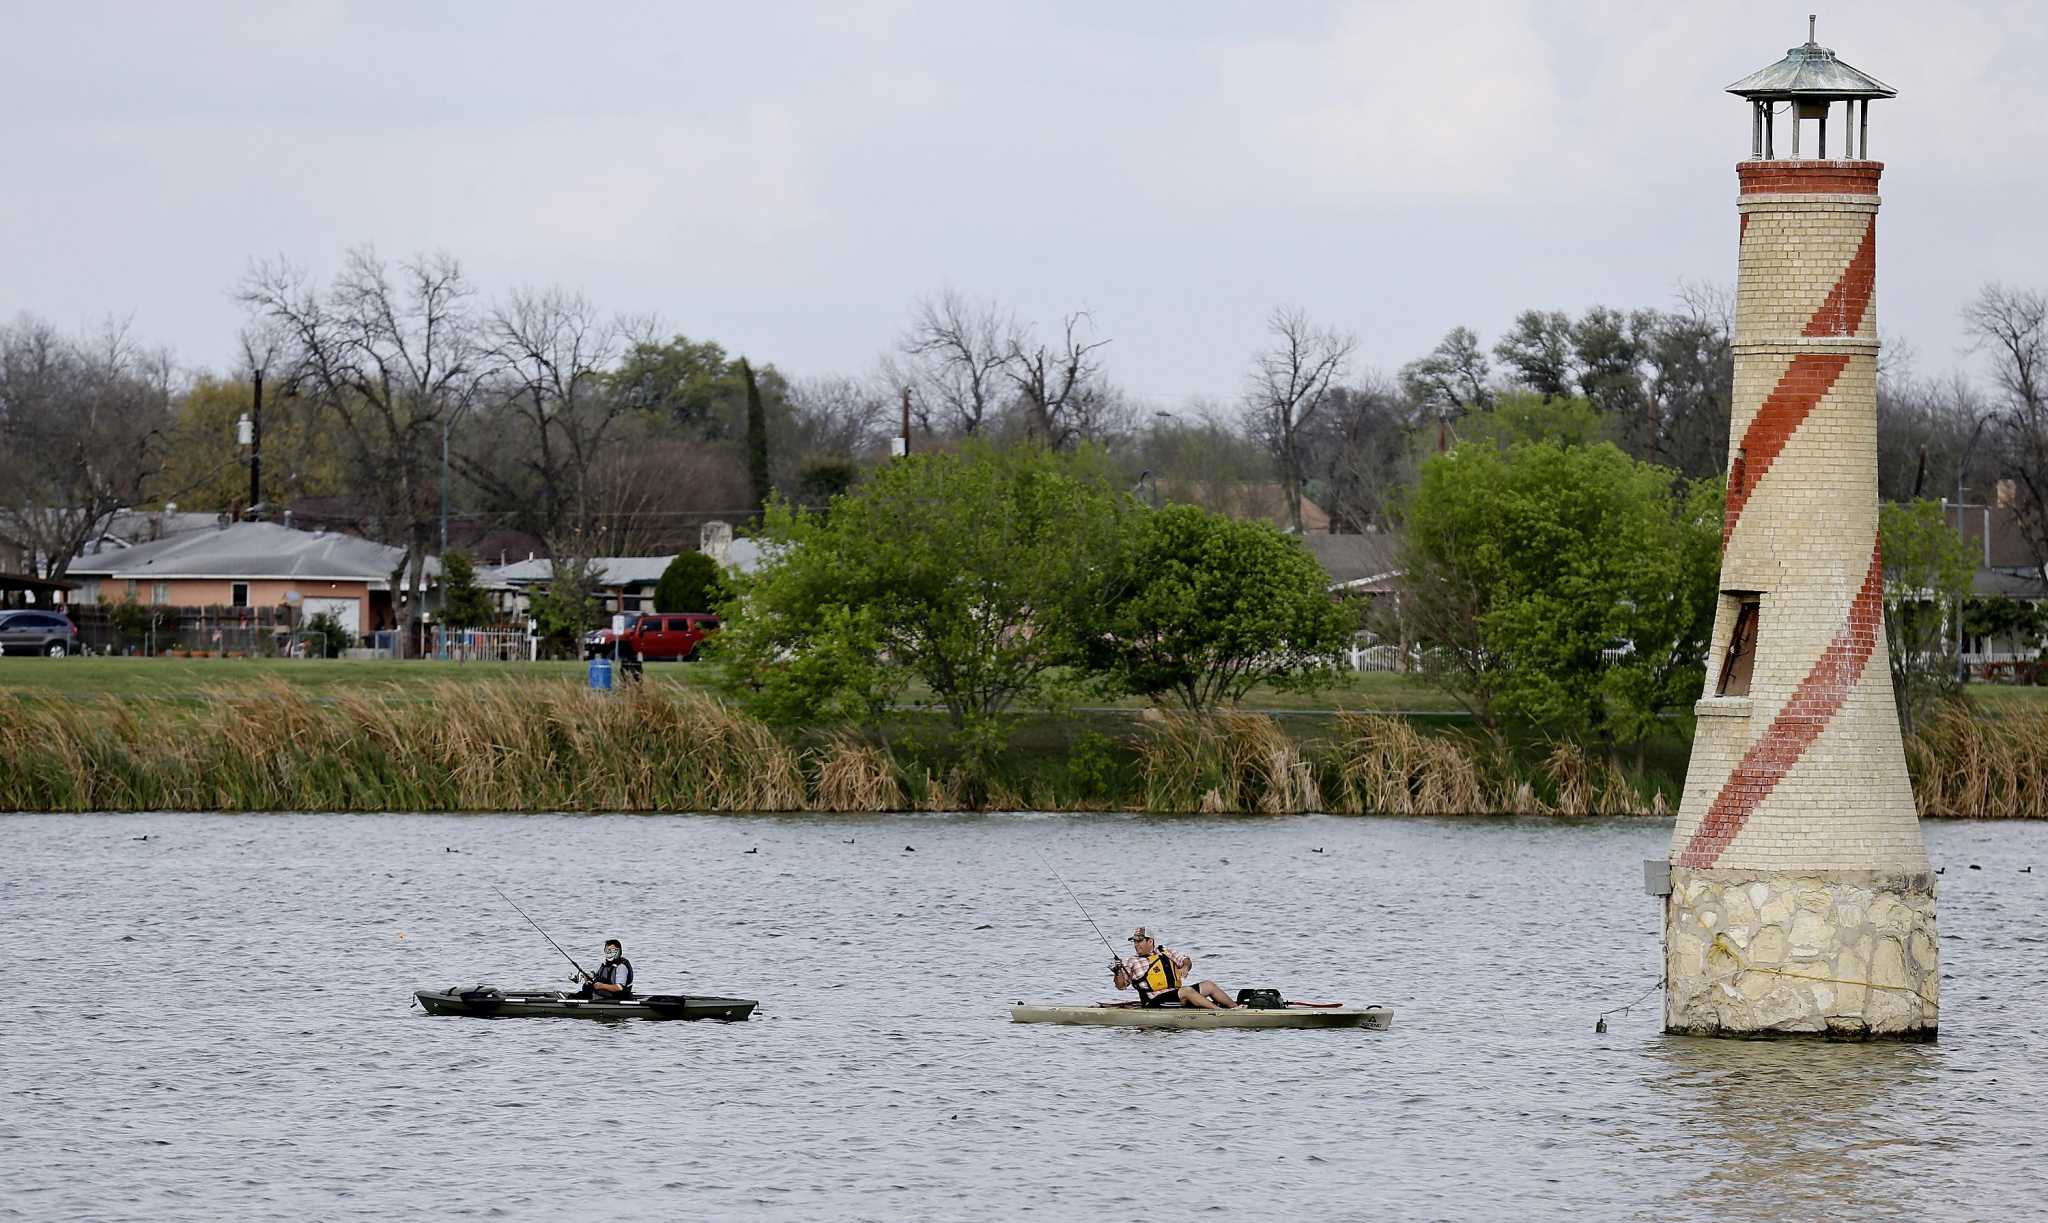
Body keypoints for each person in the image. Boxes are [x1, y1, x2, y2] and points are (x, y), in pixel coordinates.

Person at [1112, 927, 1235, 1010]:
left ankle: (1235, 1008)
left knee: (1208, 985)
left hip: (1175, 994)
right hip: (1154, 1001)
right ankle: (1220, 1012)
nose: (1136, 944)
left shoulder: (1165, 952)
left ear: (1150, 941)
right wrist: (1118, 971)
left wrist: (1186, 967)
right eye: (1134, 942)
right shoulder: (1132, 961)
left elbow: (1185, 960)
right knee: (1187, 991)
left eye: (1139, 941)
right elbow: (1121, 985)